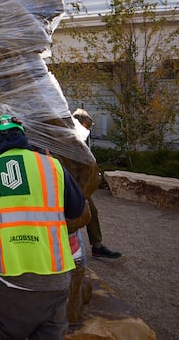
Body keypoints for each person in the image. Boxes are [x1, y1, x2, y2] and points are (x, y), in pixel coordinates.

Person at [0, 115, 85, 339]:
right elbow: (76, 209)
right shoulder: (53, 166)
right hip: (57, 275)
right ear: (23, 138)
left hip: (12, 278)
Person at [72, 109, 122, 260]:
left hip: (79, 183)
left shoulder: (79, 136)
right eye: (87, 127)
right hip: (67, 181)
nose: (88, 131)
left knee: (92, 211)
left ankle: (97, 246)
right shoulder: (68, 136)